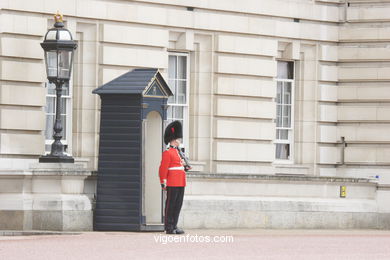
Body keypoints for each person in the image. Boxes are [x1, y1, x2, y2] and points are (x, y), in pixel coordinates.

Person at [159, 121, 191, 234]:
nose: (180, 140)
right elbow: (163, 169)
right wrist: (163, 182)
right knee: (170, 205)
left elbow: (182, 168)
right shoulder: (168, 153)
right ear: (174, 139)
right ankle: (169, 227)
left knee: (178, 204)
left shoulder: (179, 152)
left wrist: (185, 166)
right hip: (172, 182)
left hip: (181, 181)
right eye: (179, 138)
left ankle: (174, 225)